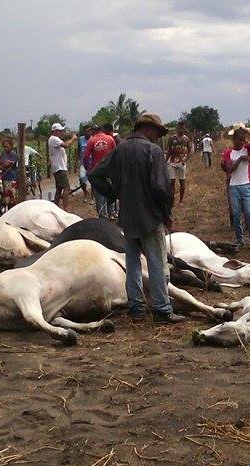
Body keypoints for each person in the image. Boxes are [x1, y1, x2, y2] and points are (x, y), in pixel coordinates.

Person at [87, 113, 183, 324]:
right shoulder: (153, 150)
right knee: (157, 263)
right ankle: (162, 309)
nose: (158, 137)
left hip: (127, 217)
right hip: (150, 217)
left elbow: (94, 174)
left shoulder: (120, 149)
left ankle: (137, 309)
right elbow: (161, 188)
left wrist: (112, 193)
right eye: (157, 132)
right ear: (149, 129)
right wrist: (166, 213)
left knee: (133, 265)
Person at [221, 123, 250, 248]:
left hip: (246, 185)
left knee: (249, 213)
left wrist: (247, 131)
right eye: (239, 140)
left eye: (243, 140)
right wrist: (240, 160)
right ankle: (240, 239)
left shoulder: (247, 148)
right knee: (237, 214)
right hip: (234, 185)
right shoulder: (229, 153)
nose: (242, 142)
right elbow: (229, 170)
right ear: (234, 140)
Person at [83, 123, 118, 219]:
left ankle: (103, 215)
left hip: (97, 170)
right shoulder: (110, 139)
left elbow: (86, 157)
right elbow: (116, 153)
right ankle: (112, 213)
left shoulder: (92, 140)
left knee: (99, 193)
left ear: (94, 131)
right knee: (111, 190)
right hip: (109, 169)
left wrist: (88, 168)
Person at [47, 123, 77, 208]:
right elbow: (66, 145)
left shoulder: (54, 139)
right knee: (66, 188)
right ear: (55, 131)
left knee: (59, 189)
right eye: (60, 131)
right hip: (60, 167)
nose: (62, 133)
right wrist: (73, 139)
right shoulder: (54, 139)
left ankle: (56, 207)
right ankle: (65, 208)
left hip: (58, 167)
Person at [167, 121, 192, 204]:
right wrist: (165, 162)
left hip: (182, 163)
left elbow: (190, 151)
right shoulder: (172, 138)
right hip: (172, 162)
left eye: (183, 128)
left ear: (185, 129)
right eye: (180, 127)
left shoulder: (186, 139)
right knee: (172, 183)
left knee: (182, 183)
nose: (181, 129)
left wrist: (185, 159)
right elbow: (169, 151)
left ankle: (181, 200)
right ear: (177, 128)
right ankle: (172, 201)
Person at [74, 125, 91, 200]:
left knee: (93, 181)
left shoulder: (93, 139)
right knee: (82, 180)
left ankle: (92, 198)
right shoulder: (81, 139)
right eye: (86, 131)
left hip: (92, 163)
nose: (88, 132)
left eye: (89, 130)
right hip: (83, 163)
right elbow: (78, 150)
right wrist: (77, 162)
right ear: (84, 131)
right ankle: (85, 193)